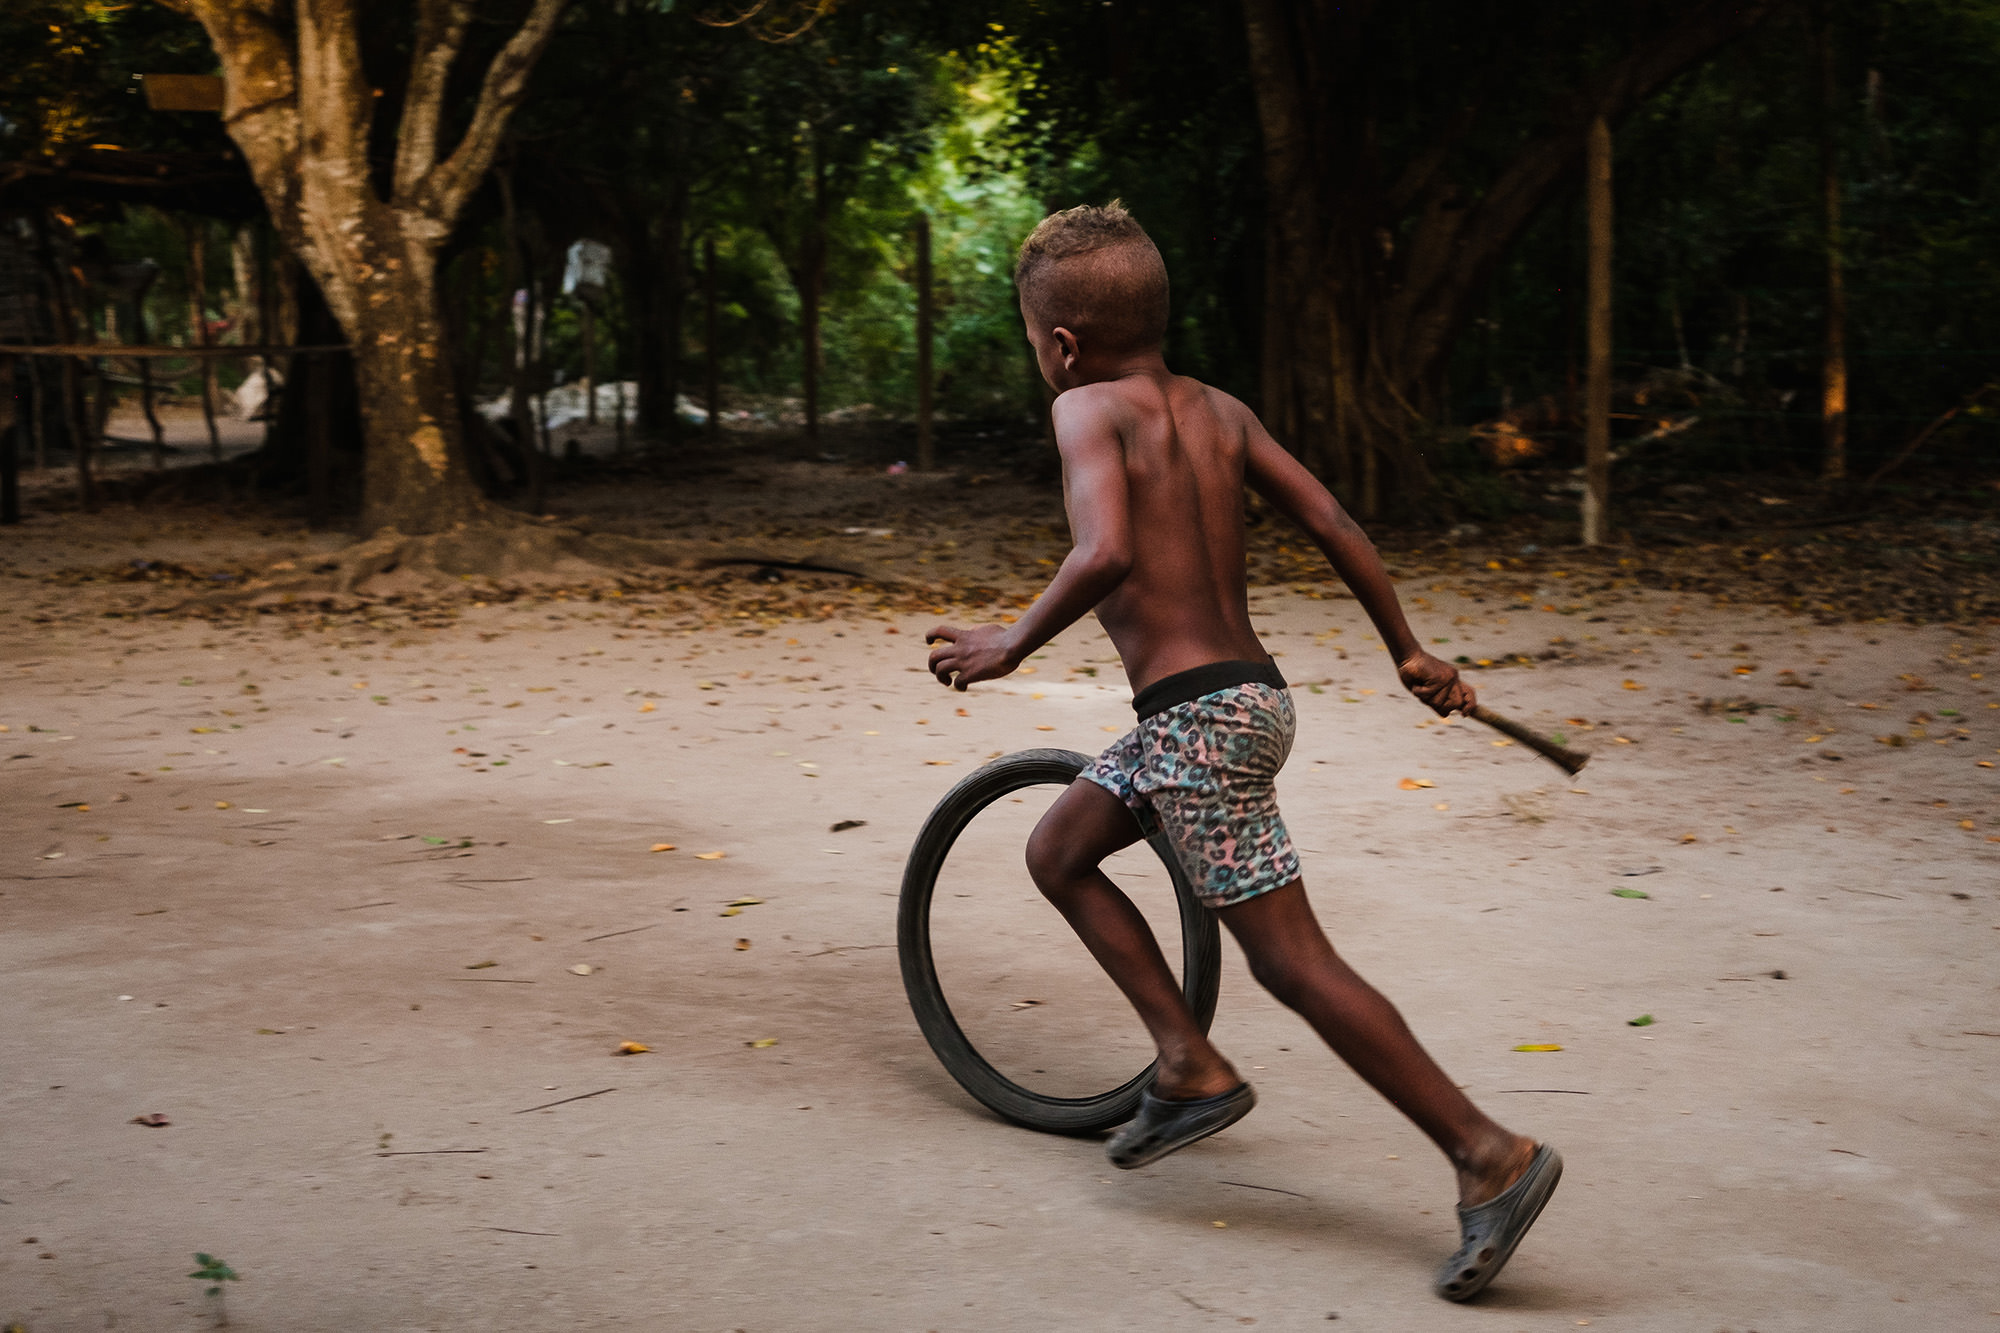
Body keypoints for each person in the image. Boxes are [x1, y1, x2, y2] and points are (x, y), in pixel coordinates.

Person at [923, 202, 1560, 1302]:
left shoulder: (1085, 409)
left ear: (1061, 343)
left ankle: (1484, 1152)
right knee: (1058, 849)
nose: (1043, 362)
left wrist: (1008, 642)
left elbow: (1107, 548)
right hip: (1240, 701)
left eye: (1035, 343)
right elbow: (1330, 518)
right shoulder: (1218, 410)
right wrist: (1405, 647)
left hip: (1196, 729)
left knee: (1289, 962)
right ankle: (1186, 1060)